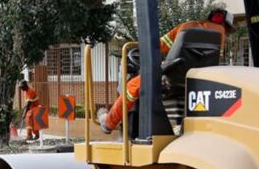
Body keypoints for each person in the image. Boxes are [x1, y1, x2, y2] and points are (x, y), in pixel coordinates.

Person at [98, 9, 233, 134]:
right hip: (198, 81)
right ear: (225, 25)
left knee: (132, 86)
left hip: (172, 77)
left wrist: (142, 51)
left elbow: (158, 46)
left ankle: (109, 123)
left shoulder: (187, 26)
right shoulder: (219, 37)